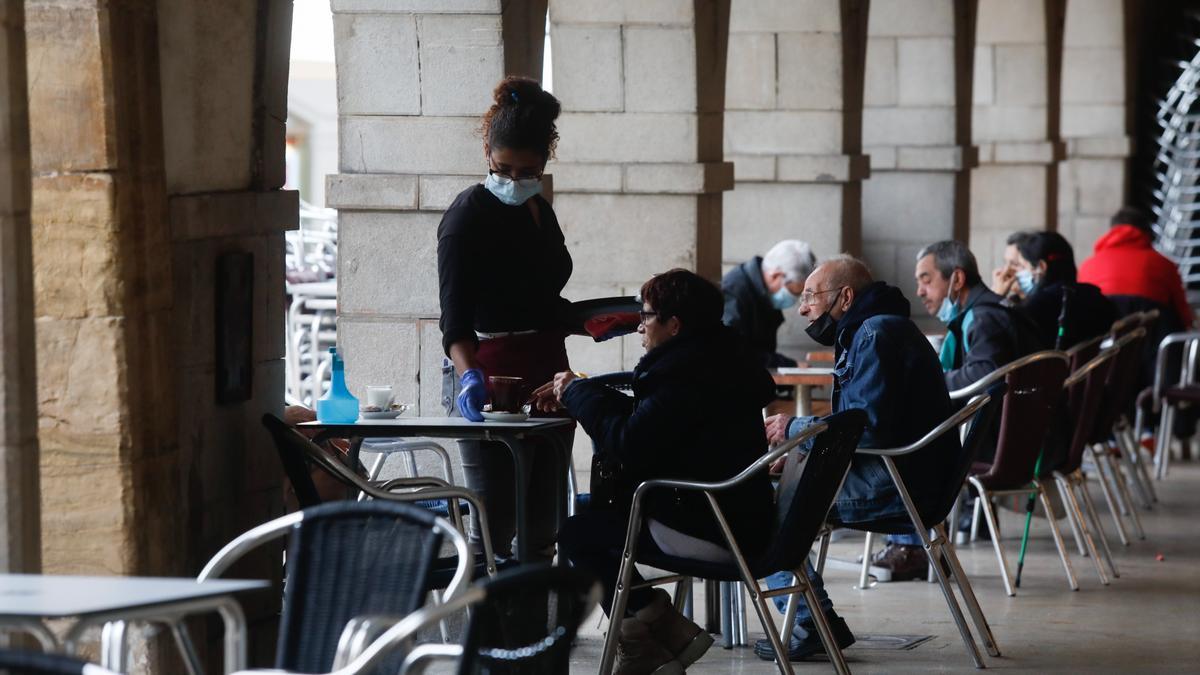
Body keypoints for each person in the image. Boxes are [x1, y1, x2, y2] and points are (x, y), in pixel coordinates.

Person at [543, 269, 776, 675]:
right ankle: (658, 632)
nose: (639, 326)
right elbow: (650, 422)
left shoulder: (685, 375)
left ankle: (649, 631)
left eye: (646, 316)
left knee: (577, 533)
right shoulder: (716, 360)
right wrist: (582, 389)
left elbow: (632, 444)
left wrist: (579, 392)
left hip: (711, 525)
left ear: (674, 324)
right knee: (589, 516)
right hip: (739, 515)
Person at [757, 256, 959, 662]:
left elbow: (867, 431)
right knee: (773, 497)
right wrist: (802, 450)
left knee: (753, 512)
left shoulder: (873, 334)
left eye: (812, 296)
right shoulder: (879, 327)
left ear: (846, 297)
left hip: (896, 485)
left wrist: (794, 430)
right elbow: (865, 425)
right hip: (909, 478)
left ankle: (812, 623)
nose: (803, 307)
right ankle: (813, 619)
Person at [437, 76, 574, 564]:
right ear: (486, 153)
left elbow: (541, 296)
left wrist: (593, 320)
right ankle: (485, 635)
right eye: (503, 169)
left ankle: (536, 633)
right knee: (493, 528)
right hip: (492, 373)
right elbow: (454, 320)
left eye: (527, 171)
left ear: (544, 163)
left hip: (550, 369)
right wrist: (469, 376)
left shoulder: (540, 210)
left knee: (543, 526)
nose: (514, 182)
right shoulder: (466, 216)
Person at [915, 240, 1043, 391]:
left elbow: (984, 377)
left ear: (957, 279)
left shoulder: (983, 318)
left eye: (926, 280)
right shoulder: (999, 307)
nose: (920, 292)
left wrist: (929, 381)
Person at [1013, 231, 1116, 350]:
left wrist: (996, 298)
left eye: (1023, 266)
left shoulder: (1036, 306)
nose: (1016, 274)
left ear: (1041, 266)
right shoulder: (1096, 296)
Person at [721, 239, 818, 367]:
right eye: (792, 292)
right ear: (776, 275)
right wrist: (789, 365)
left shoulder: (764, 293)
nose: (795, 300)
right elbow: (734, 351)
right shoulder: (734, 291)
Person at [990, 231, 1033, 303]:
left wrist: (1022, 293)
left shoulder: (1051, 298)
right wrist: (994, 292)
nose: (1006, 270)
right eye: (1005, 262)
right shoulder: (1012, 300)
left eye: (1015, 264)